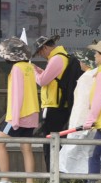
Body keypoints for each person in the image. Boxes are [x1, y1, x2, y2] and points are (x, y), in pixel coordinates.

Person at [0, 37, 40, 183]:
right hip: (32, 113)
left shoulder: (17, 69)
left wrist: (15, 119)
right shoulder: (29, 67)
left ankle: (5, 180)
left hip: (18, 115)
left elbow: (17, 95)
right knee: (26, 148)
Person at [33, 35, 79, 172]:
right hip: (61, 105)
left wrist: (33, 71)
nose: (41, 55)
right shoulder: (62, 56)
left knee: (50, 144)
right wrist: (40, 71)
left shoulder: (56, 58)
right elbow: (53, 78)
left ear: (45, 47)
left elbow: (42, 81)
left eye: (40, 52)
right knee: (57, 142)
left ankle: (51, 176)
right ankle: (57, 175)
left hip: (53, 106)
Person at [82, 40, 101, 183]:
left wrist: (89, 119)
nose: (94, 56)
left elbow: (98, 99)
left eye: (96, 53)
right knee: (94, 153)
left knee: (100, 154)